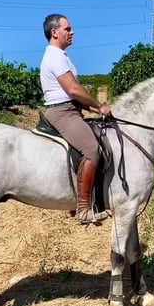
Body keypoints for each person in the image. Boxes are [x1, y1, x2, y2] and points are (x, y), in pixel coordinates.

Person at [40, 13, 111, 224]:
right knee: (91, 149)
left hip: (71, 109)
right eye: (67, 29)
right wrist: (99, 105)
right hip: (62, 112)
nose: (72, 32)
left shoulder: (61, 55)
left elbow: (76, 94)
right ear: (55, 32)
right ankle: (82, 209)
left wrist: (96, 109)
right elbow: (73, 89)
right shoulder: (55, 56)